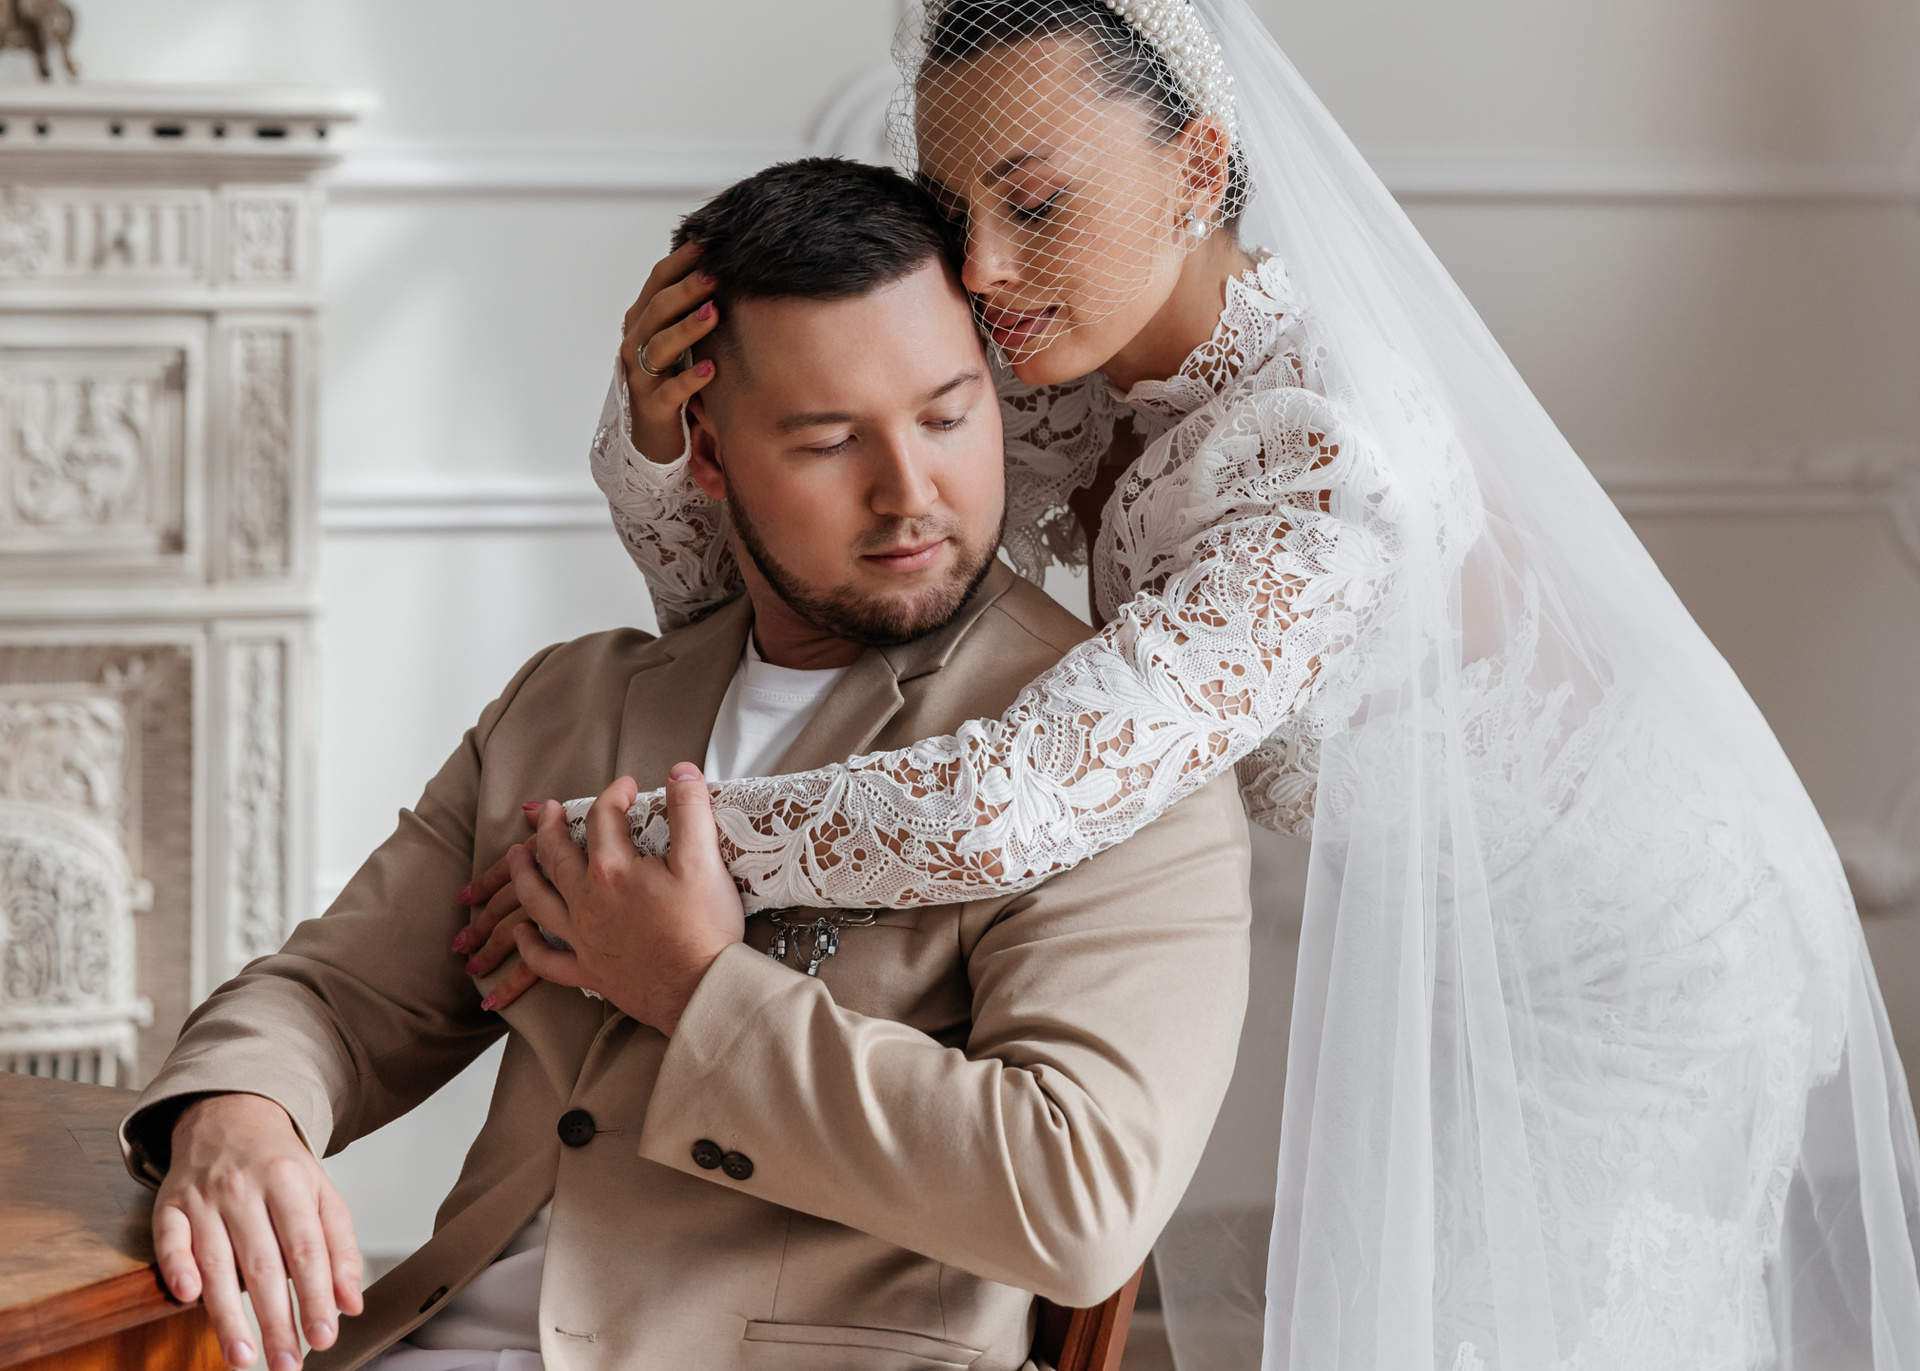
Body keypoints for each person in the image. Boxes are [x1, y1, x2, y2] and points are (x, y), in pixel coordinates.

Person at [510, 0, 1920, 1367]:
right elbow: (802, 607)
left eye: (1036, 204)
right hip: (1455, 941)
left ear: (1196, 168)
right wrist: (661, 436)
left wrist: (640, 850)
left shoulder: (1323, 455)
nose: (982, 269)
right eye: (953, 212)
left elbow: (1015, 800)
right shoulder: (1068, 365)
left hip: (1649, 957)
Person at [118, 158, 1254, 1371]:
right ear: (705, 454)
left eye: (946, 415)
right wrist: (237, 1111)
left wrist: (697, 990)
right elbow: (335, 997)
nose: (910, 492)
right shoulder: (571, 703)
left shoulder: (1110, 752)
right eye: (829, 440)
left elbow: (1078, 1199)